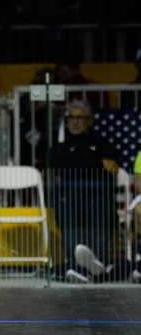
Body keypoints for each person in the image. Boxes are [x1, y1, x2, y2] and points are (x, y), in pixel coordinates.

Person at [47, 100, 132, 283]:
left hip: (98, 197)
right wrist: (96, 162)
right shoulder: (60, 146)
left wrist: (81, 160)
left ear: (89, 120)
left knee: (102, 209)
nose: (75, 122)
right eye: (71, 118)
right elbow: (56, 162)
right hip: (70, 198)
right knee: (67, 209)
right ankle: (78, 266)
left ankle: (94, 264)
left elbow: (114, 166)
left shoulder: (102, 143)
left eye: (80, 118)